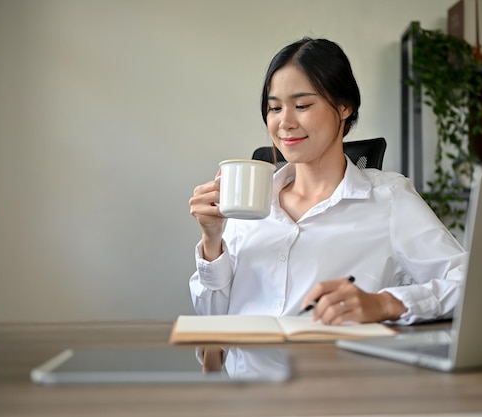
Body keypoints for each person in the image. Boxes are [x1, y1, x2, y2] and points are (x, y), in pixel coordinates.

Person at [188, 37, 467, 330]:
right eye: (274, 109)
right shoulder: (251, 203)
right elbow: (213, 318)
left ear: (344, 107)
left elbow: (469, 284)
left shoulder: (390, 198)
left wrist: (385, 304)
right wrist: (212, 240)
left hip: (333, 371)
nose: (285, 122)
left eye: (302, 105)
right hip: (246, 373)